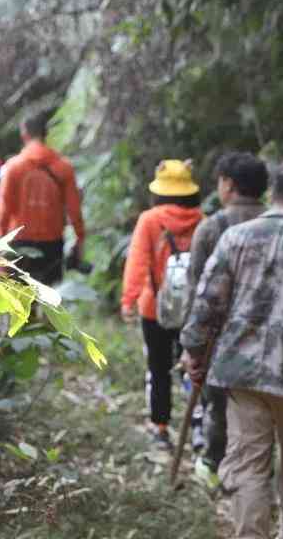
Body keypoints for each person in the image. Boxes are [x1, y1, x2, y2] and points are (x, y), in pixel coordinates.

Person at [182, 161, 283, 539]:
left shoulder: (235, 238)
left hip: (241, 371)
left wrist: (193, 349)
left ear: (273, 194)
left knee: (249, 463)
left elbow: (208, 300)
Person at [184, 151, 269, 490]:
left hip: (222, 337)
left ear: (229, 185)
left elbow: (197, 293)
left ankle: (214, 467)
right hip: (269, 334)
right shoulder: (279, 224)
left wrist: (191, 346)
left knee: (217, 404)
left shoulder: (211, 229)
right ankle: (256, 473)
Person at [120, 159, 204, 449]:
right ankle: (198, 429)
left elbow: (138, 261)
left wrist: (128, 299)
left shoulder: (150, 220)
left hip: (154, 308)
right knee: (194, 365)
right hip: (192, 313)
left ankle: (160, 428)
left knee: (158, 368)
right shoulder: (203, 221)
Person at [0, 112, 86, 286]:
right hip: (52, 243)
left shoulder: (13, 168)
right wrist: (80, 239)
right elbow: (74, 209)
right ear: (46, 134)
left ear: (24, 134)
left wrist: (0, 245)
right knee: (49, 300)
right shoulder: (63, 167)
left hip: (19, 242)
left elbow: (4, 210)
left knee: (21, 302)